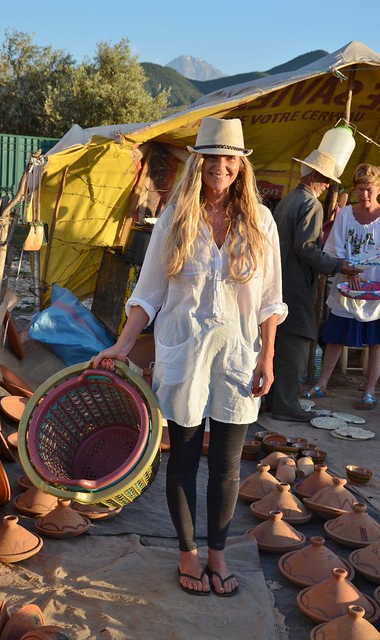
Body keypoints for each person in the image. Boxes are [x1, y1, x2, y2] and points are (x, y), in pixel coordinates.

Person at [93, 116, 287, 597]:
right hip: (184, 354)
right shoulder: (175, 219)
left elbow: (270, 300)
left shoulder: (260, 222)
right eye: (212, 158)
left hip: (239, 355)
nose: (221, 166)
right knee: (182, 458)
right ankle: (187, 553)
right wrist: (122, 344)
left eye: (230, 158)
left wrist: (267, 358)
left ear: (241, 165)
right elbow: (148, 294)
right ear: (197, 163)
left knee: (226, 464)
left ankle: (218, 553)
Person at [268, 149, 362, 422]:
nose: (327, 186)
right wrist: (338, 266)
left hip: (280, 280)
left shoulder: (288, 200)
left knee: (280, 342)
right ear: (315, 176)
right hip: (296, 283)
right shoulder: (311, 204)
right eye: (326, 180)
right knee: (295, 344)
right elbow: (306, 248)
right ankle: (286, 404)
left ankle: (274, 400)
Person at [305, 163, 380, 409]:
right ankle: (322, 383)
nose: (364, 194)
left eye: (369, 189)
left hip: (375, 289)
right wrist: (347, 270)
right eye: (360, 189)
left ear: (378, 188)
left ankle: (369, 391)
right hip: (346, 286)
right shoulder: (346, 214)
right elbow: (334, 248)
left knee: (376, 340)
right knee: (335, 335)